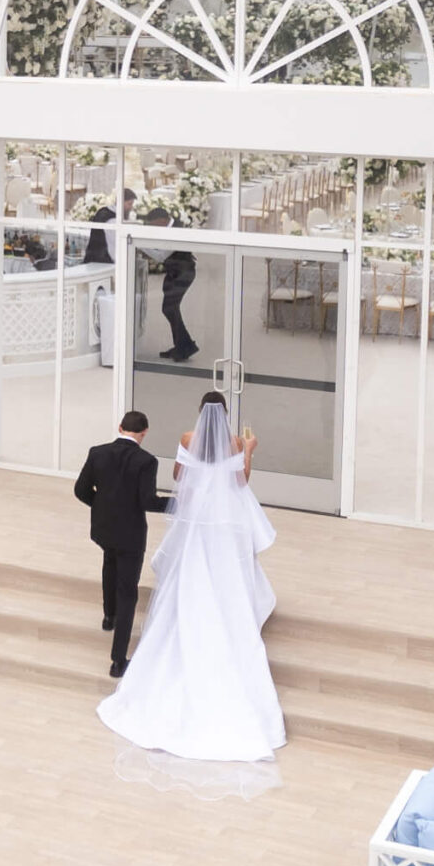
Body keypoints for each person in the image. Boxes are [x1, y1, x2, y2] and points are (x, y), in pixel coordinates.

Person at [96, 391, 286, 763]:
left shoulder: (187, 438)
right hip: (223, 516)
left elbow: (179, 476)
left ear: (200, 413)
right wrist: (249, 450)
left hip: (198, 514)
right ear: (225, 414)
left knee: (191, 565)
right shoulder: (235, 442)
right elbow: (241, 481)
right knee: (227, 567)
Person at [72, 410, 165, 678]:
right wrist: (178, 503)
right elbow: (148, 502)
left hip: (104, 529)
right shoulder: (147, 461)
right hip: (131, 534)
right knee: (128, 592)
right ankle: (117, 660)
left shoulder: (97, 452)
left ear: (120, 427)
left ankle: (108, 617)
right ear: (144, 433)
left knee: (109, 563)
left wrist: (102, 507)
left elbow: (80, 490)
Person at [138, 209, 198, 363]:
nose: (153, 228)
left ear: (163, 220)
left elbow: (161, 255)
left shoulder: (175, 230)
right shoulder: (169, 227)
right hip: (175, 272)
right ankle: (182, 346)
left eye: (154, 225)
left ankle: (185, 346)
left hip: (183, 273)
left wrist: (139, 245)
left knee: (169, 309)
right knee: (170, 309)